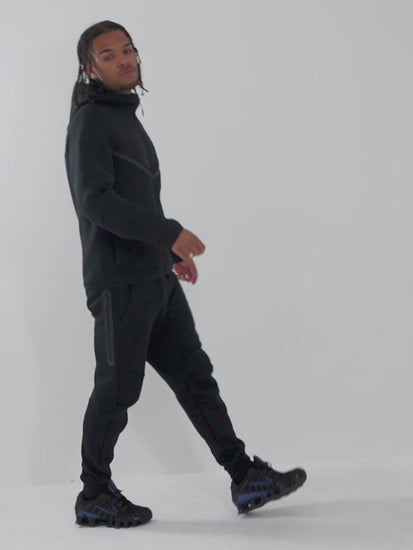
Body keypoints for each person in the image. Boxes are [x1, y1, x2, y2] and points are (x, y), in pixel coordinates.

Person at [64, 19, 307, 529]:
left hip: (155, 278)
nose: (124, 59)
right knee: (117, 390)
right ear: (90, 68)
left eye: (128, 49)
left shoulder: (122, 115)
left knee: (196, 378)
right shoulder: (90, 122)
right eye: (108, 55)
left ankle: (245, 477)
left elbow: (134, 198)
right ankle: (93, 494)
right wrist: (168, 231)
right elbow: (97, 203)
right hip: (120, 284)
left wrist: (166, 251)